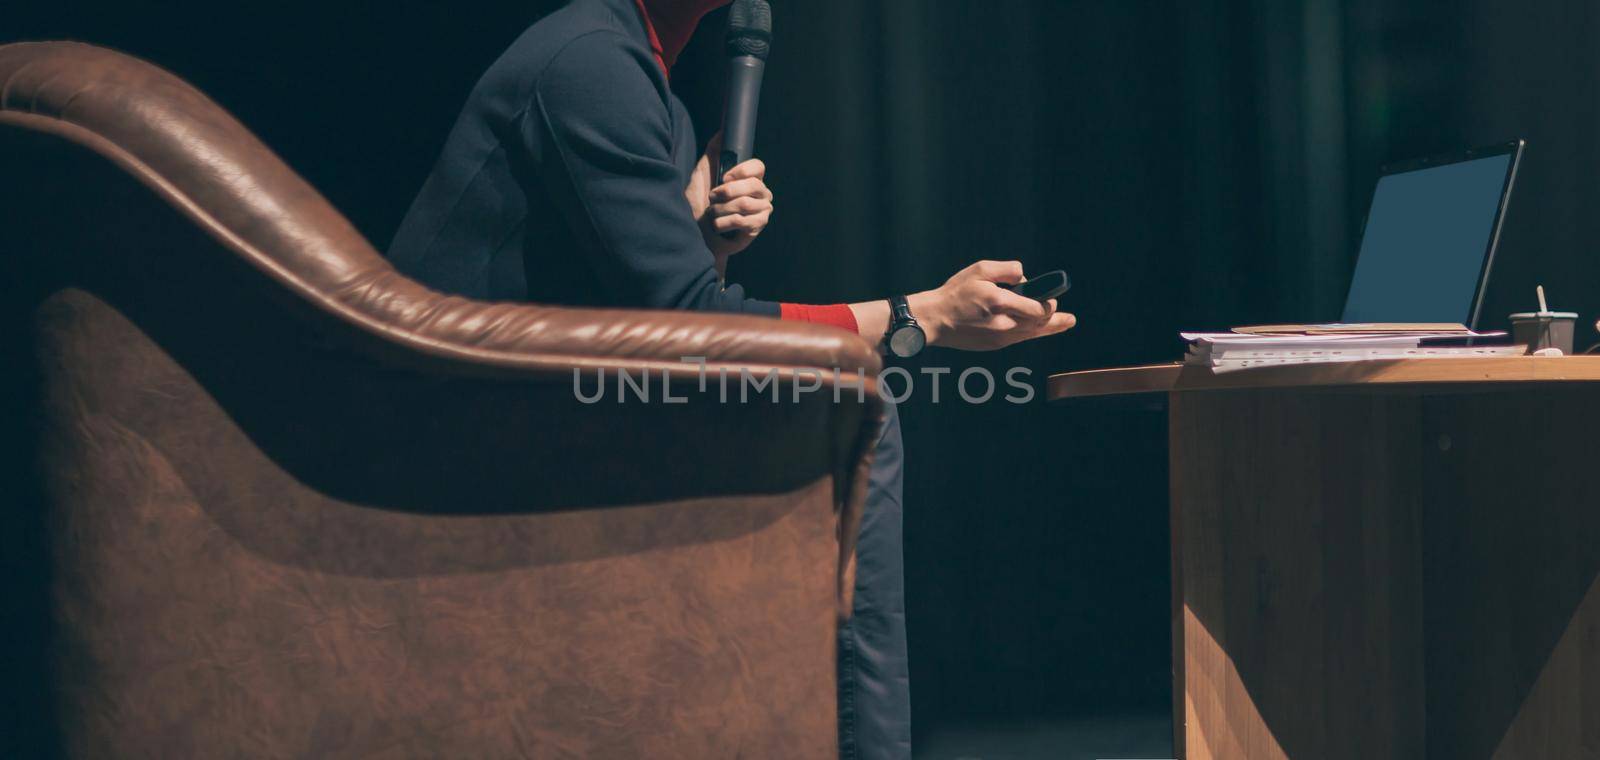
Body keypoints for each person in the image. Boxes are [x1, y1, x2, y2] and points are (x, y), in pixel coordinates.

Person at [387, 0, 1075, 756]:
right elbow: (691, 325)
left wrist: (704, 242)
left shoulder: (651, 94)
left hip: (544, 411)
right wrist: (927, 316)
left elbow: (671, 328)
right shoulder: (589, 63)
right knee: (838, 410)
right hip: (456, 435)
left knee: (830, 403)